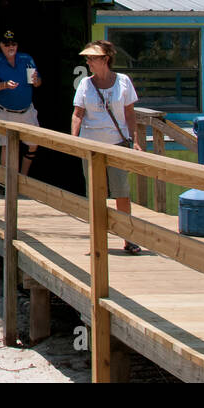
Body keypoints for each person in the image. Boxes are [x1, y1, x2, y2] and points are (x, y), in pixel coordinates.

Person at [71, 40, 144, 255]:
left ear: (106, 59)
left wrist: (136, 140)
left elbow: (130, 113)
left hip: (117, 143)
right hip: (91, 145)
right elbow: (78, 113)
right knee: (95, 193)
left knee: (121, 192)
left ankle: (128, 237)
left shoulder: (123, 82)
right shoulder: (85, 84)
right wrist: (73, 139)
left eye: (93, 58)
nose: (89, 61)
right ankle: (97, 236)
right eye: (88, 58)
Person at [0, 29, 41, 175]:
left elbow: (38, 82)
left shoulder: (27, 59)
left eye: (13, 44)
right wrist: (4, 85)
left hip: (27, 111)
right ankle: (6, 184)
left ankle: (23, 177)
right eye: (6, 44)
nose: (10, 47)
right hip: (5, 112)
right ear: (1, 45)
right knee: (7, 147)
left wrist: (36, 80)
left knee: (33, 144)